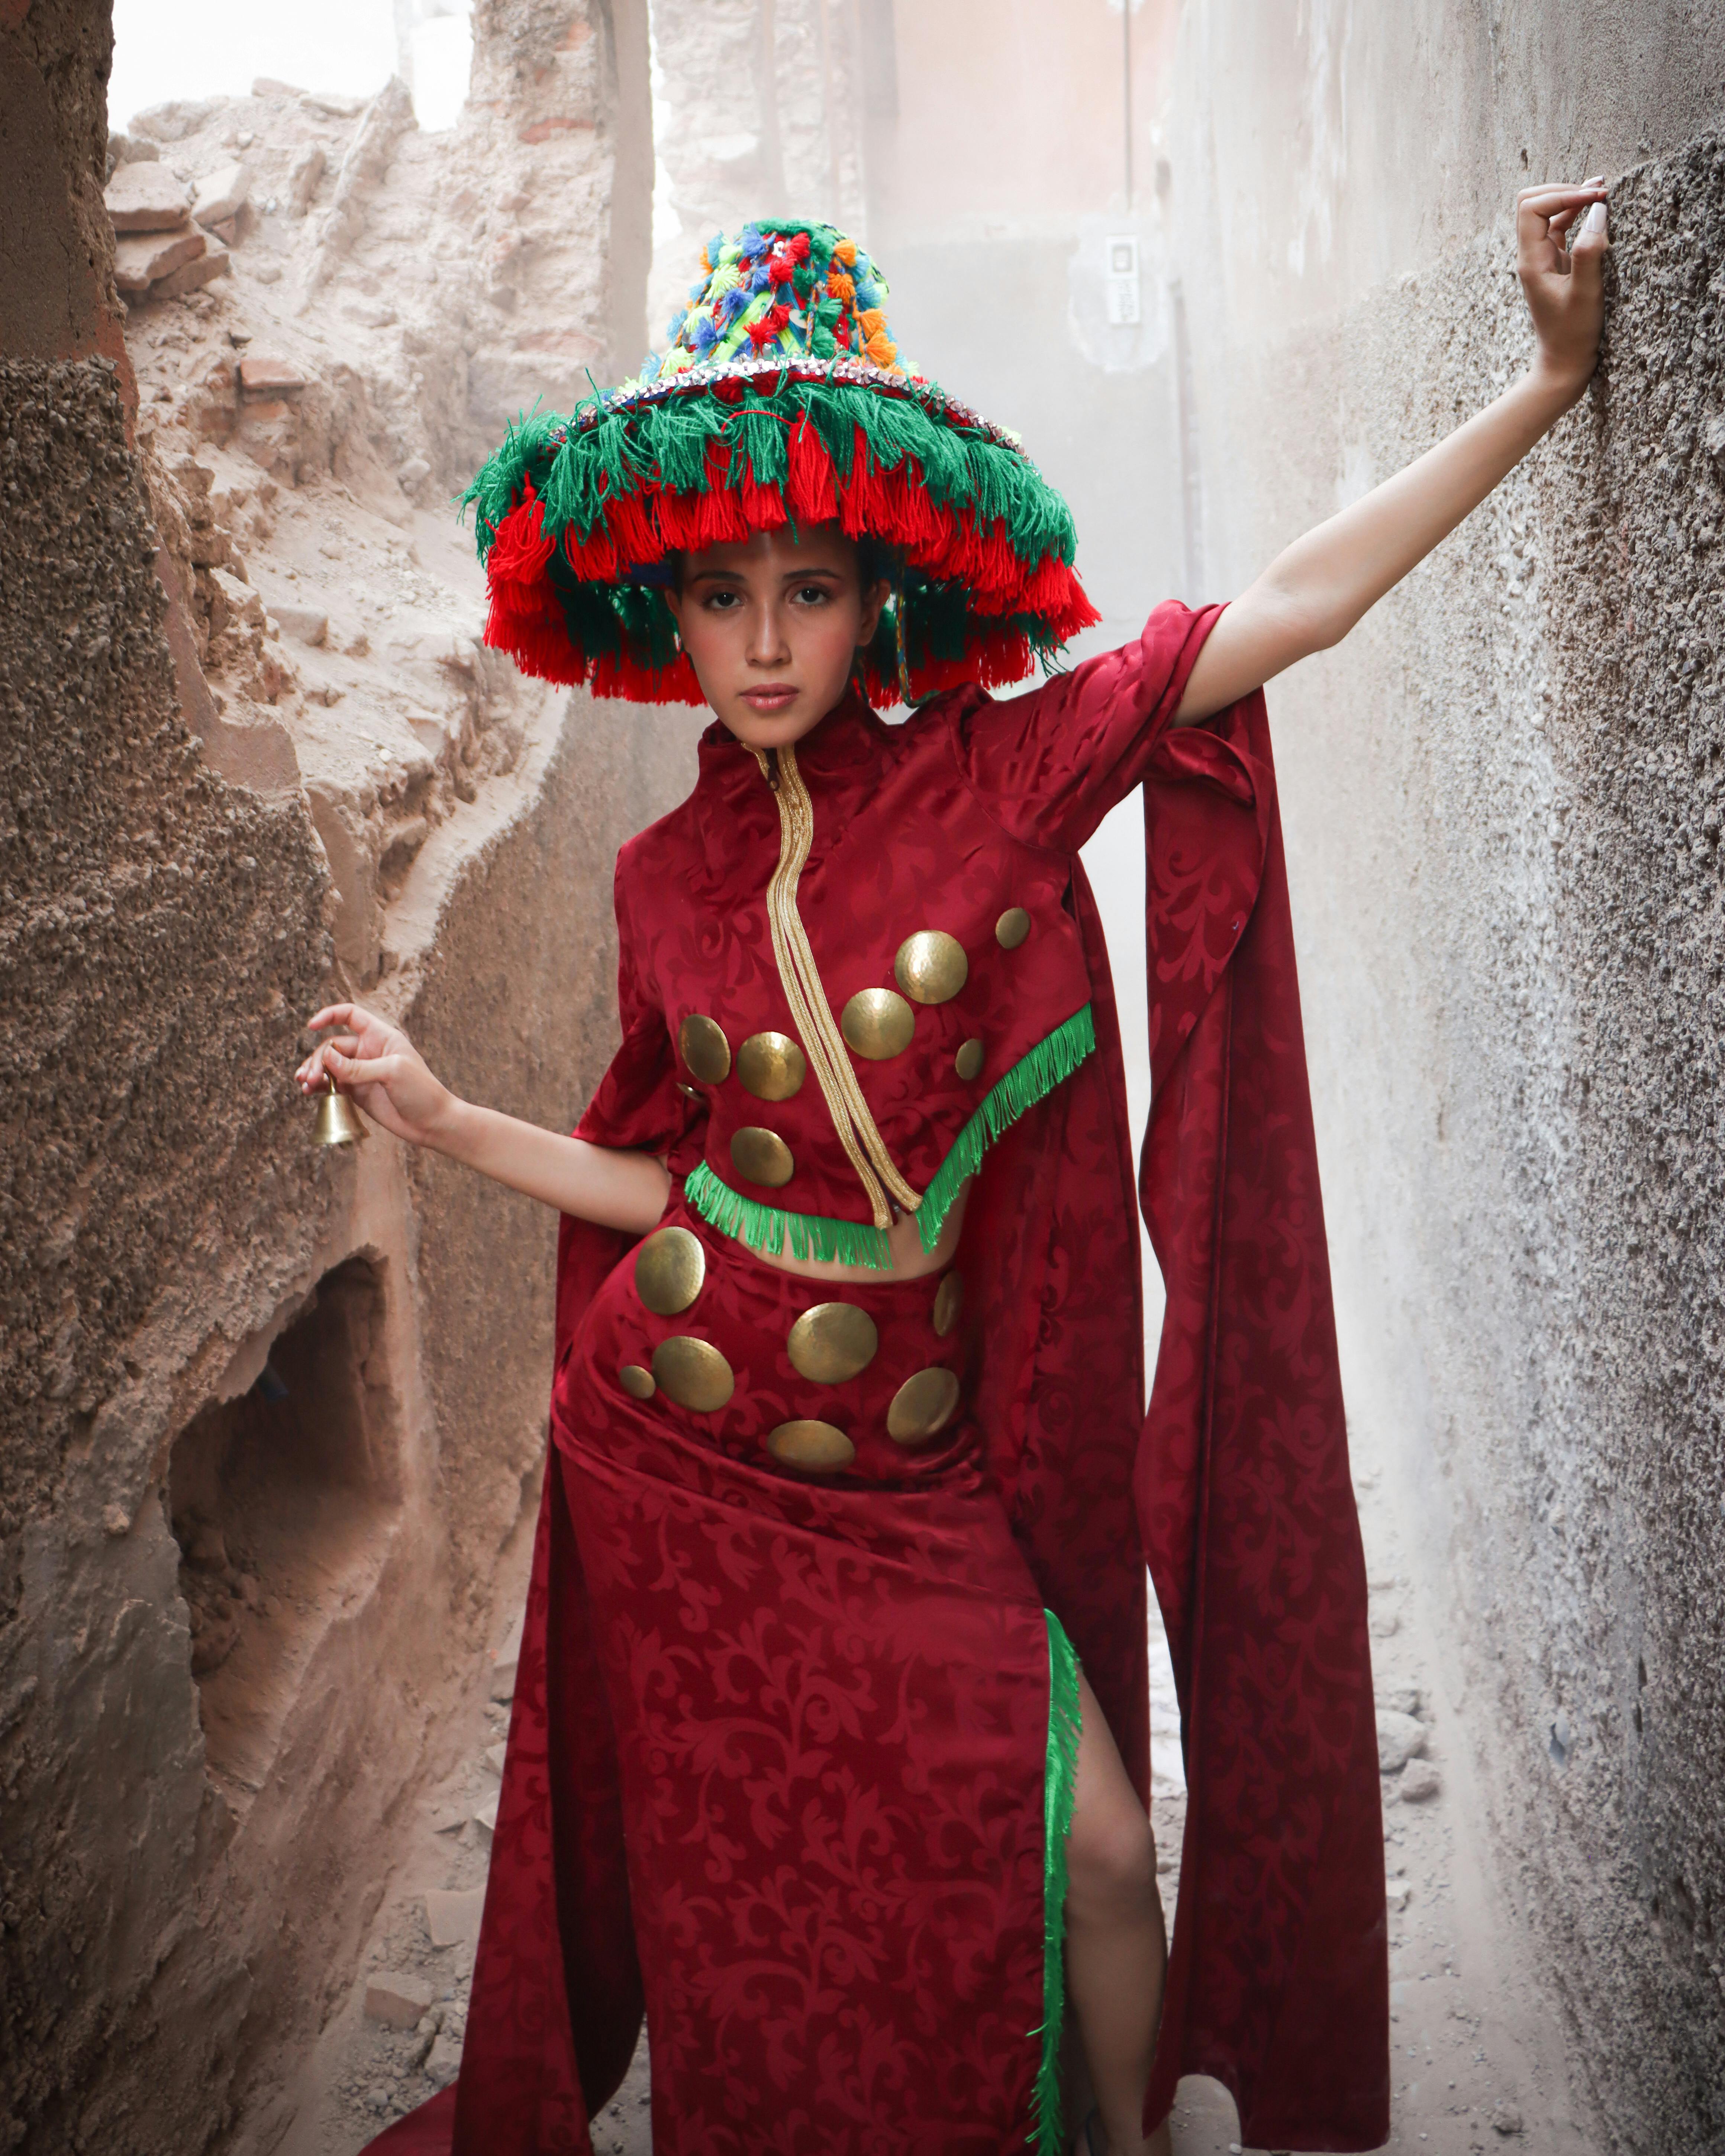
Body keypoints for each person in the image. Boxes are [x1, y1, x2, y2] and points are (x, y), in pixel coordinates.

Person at [298, 190, 1608, 2156]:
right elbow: (676, 1189)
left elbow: (1289, 609)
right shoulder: (659, 883)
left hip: (916, 1479)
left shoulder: (1002, 773)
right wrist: (444, 1116)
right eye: (721, 593)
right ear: (665, 607)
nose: (763, 642)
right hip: (690, 1466)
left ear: (881, 595)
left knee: (1099, 1848)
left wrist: (1545, 379)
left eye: (807, 590)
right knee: (764, 1906)